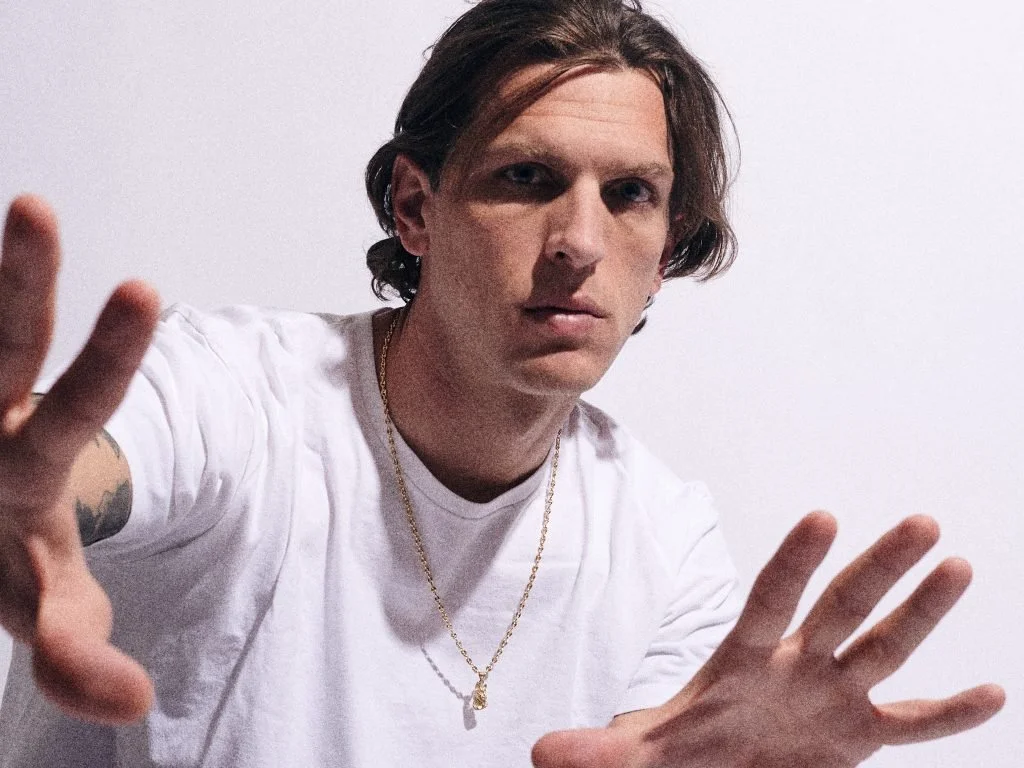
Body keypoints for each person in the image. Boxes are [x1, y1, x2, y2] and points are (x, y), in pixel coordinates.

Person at [0, 0, 1005, 765]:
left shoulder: (660, 536)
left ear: (664, 252)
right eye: (527, 179)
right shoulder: (243, 393)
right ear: (415, 207)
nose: (577, 241)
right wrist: (35, 493)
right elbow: (87, 462)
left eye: (629, 196)